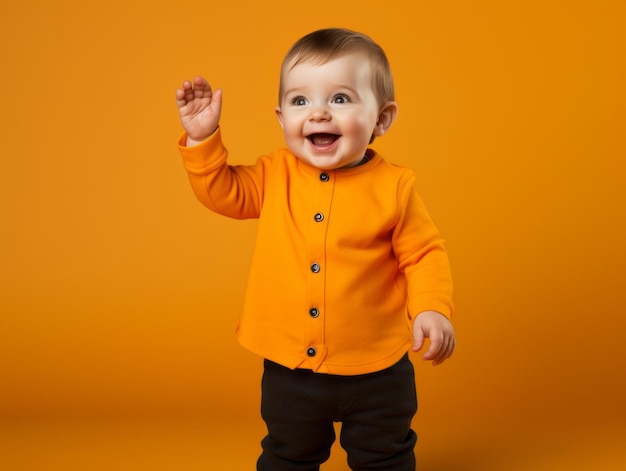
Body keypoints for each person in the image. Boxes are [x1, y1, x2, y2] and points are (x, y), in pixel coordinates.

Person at [175, 27, 455, 471]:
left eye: (340, 99)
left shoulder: (395, 187)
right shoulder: (274, 174)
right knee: (289, 455)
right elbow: (222, 192)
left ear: (382, 119)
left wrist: (431, 308)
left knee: (386, 456)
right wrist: (202, 139)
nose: (318, 113)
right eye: (300, 101)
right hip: (291, 370)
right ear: (281, 117)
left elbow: (423, 254)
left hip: (378, 368)